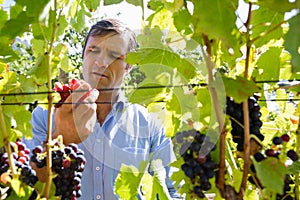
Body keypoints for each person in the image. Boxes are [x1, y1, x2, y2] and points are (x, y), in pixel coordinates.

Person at [24, 18, 180, 199]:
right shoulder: (45, 116)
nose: (101, 62)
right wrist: (60, 140)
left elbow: (171, 191)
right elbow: (26, 188)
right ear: (83, 55)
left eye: (114, 55)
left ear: (129, 66)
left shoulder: (149, 124)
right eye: (93, 50)